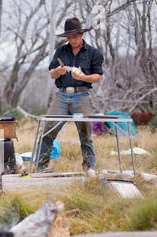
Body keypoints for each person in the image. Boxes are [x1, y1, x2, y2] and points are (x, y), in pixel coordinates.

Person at [37, 17, 104, 175]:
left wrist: (83, 78)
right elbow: (52, 73)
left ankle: (89, 169)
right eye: (69, 37)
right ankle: (39, 167)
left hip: (82, 95)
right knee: (48, 130)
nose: (72, 40)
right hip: (61, 95)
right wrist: (58, 72)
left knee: (85, 133)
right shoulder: (61, 51)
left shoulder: (93, 53)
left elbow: (98, 77)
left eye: (75, 36)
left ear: (81, 34)